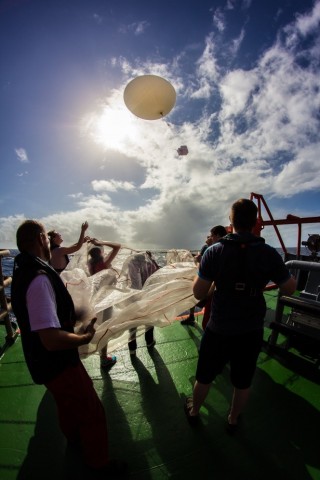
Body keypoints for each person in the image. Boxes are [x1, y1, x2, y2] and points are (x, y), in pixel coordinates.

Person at [11, 220, 127, 477]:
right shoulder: (40, 279)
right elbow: (51, 339)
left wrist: (70, 315)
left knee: (66, 405)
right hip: (57, 363)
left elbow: (38, 317)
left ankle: (75, 441)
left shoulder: (23, 269)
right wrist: (83, 338)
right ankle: (100, 465)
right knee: (91, 410)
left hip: (41, 362)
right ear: (42, 239)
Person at [184, 199, 296, 431]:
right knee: (243, 380)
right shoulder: (268, 253)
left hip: (219, 327)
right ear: (255, 222)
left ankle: (194, 411)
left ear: (230, 221)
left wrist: (203, 273)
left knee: (204, 375)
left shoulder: (214, 251)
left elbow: (198, 293)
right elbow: (289, 288)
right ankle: (233, 419)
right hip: (251, 328)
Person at [181, 225, 227, 326]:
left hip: (215, 292)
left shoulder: (212, 250)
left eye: (211, 236)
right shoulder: (230, 249)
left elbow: (198, 292)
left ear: (217, 235)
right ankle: (192, 315)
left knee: (208, 323)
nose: (209, 238)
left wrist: (200, 261)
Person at [88, 238, 121, 368]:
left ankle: (99, 353)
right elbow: (117, 246)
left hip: (95, 299)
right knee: (105, 327)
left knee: (97, 325)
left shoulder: (90, 264)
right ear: (101, 253)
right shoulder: (104, 263)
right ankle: (104, 358)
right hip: (106, 300)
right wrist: (100, 242)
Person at [126, 252, 159, 355]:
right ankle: (149, 342)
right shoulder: (150, 265)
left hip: (133, 297)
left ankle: (132, 349)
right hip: (147, 296)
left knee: (132, 324)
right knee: (148, 320)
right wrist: (152, 260)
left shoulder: (131, 265)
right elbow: (159, 272)